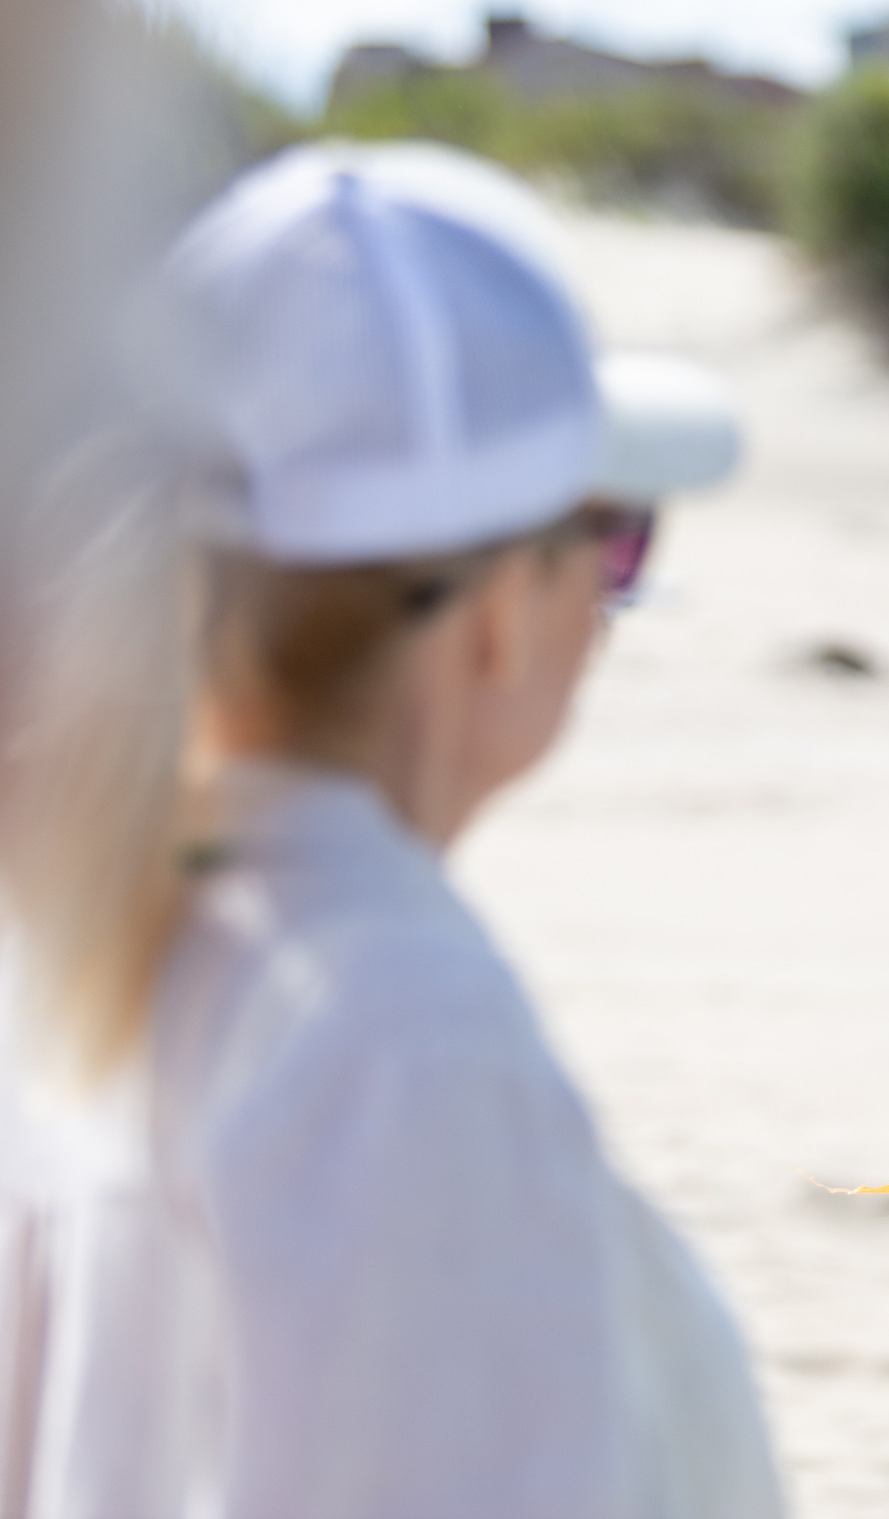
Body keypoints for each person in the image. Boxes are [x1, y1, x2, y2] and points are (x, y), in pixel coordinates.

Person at [0, 143, 784, 1517]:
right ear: (492, 610)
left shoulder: (99, 934)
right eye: (609, 541)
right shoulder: (402, 1034)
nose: (609, 606)